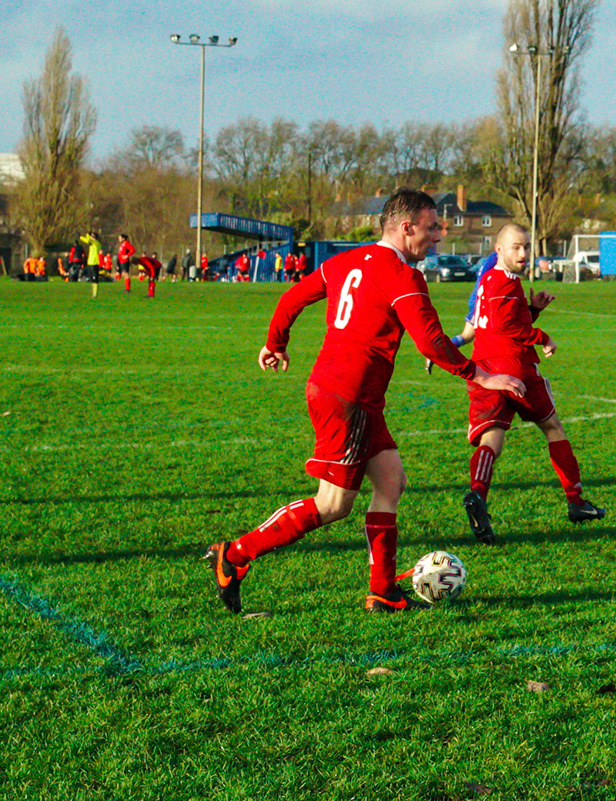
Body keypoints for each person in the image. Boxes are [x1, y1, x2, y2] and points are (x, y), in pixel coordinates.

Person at [205, 189, 526, 615]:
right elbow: (431, 343)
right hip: (348, 396)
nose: (438, 237)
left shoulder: (345, 261)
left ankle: (383, 592)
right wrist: (483, 375)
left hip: (350, 393)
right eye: (432, 228)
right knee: (333, 505)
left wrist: (275, 342)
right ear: (406, 227)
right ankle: (236, 555)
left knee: (390, 480)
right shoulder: (403, 276)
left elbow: (291, 298)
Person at [460, 223, 605, 544]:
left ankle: (478, 495)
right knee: (553, 427)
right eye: (516, 247)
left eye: (526, 247)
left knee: (492, 439)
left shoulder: (490, 280)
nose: (523, 253)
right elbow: (511, 329)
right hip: (516, 370)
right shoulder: (506, 285)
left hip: (486, 371)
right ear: (499, 250)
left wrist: (533, 309)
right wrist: (545, 337)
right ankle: (576, 501)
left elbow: (505, 320)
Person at [422, 251, 498, 374]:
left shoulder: (492, 258)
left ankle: (435, 354)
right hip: (481, 302)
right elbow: (483, 279)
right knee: (477, 337)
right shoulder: (497, 258)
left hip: (481, 301)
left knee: (467, 336)